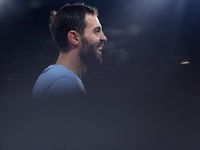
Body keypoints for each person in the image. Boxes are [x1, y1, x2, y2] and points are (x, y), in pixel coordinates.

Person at [31, 3, 107, 99]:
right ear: (74, 38)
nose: (104, 38)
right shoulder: (64, 81)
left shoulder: (51, 77)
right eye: (96, 31)